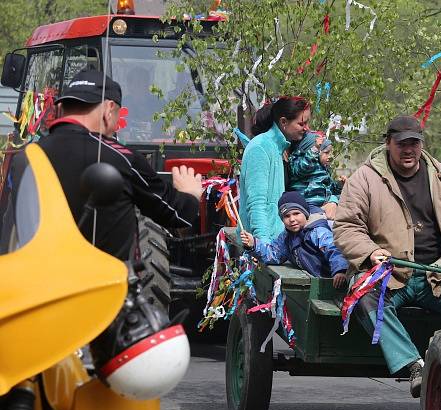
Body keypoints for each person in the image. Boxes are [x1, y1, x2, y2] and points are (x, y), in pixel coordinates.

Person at [334, 115, 441, 397]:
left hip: (440, 275)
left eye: (414, 143)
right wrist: (371, 251)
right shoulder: (364, 179)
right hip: (391, 274)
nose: (409, 149)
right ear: (388, 143)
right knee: (362, 296)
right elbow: (346, 226)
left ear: (422, 144)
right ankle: (414, 365)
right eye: (402, 144)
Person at [9, 68, 202, 261]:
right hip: (103, 286)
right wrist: (191, 193)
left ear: (62, 108)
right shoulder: (122, 157)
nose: (116, 125)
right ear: (109, 110)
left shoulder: (24, 157)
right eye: (118, 116)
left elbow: (12, 228)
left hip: (38, 283)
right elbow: (175, 215)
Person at [239, 96, 310, 242]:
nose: (306, 128)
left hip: (275, 242)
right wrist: (262, 245)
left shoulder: (279, 147)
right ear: (283, 122)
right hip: (262, 244)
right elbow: (257, 203)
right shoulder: (260, 147)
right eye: (301, 123)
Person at [239, 191, 348, 287]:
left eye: (296, 214)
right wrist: (254, 244)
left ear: (306, 214)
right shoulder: (286, 236)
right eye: (287, 216)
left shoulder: (317, 232)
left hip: (334, 279)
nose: (292, 219)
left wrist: (340, 270)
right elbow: (274, 253)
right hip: (316, 282)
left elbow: (334, 249)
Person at [287, 131, 340, 219]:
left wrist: (339, 185)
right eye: (326, 153)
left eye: (331, 153)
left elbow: (328, 187)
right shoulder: (298, 160)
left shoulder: (323, 168)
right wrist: (315, 149)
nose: (330, 156)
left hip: (322, 203)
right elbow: (301, 169)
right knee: (321, 222)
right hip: (307, 204)